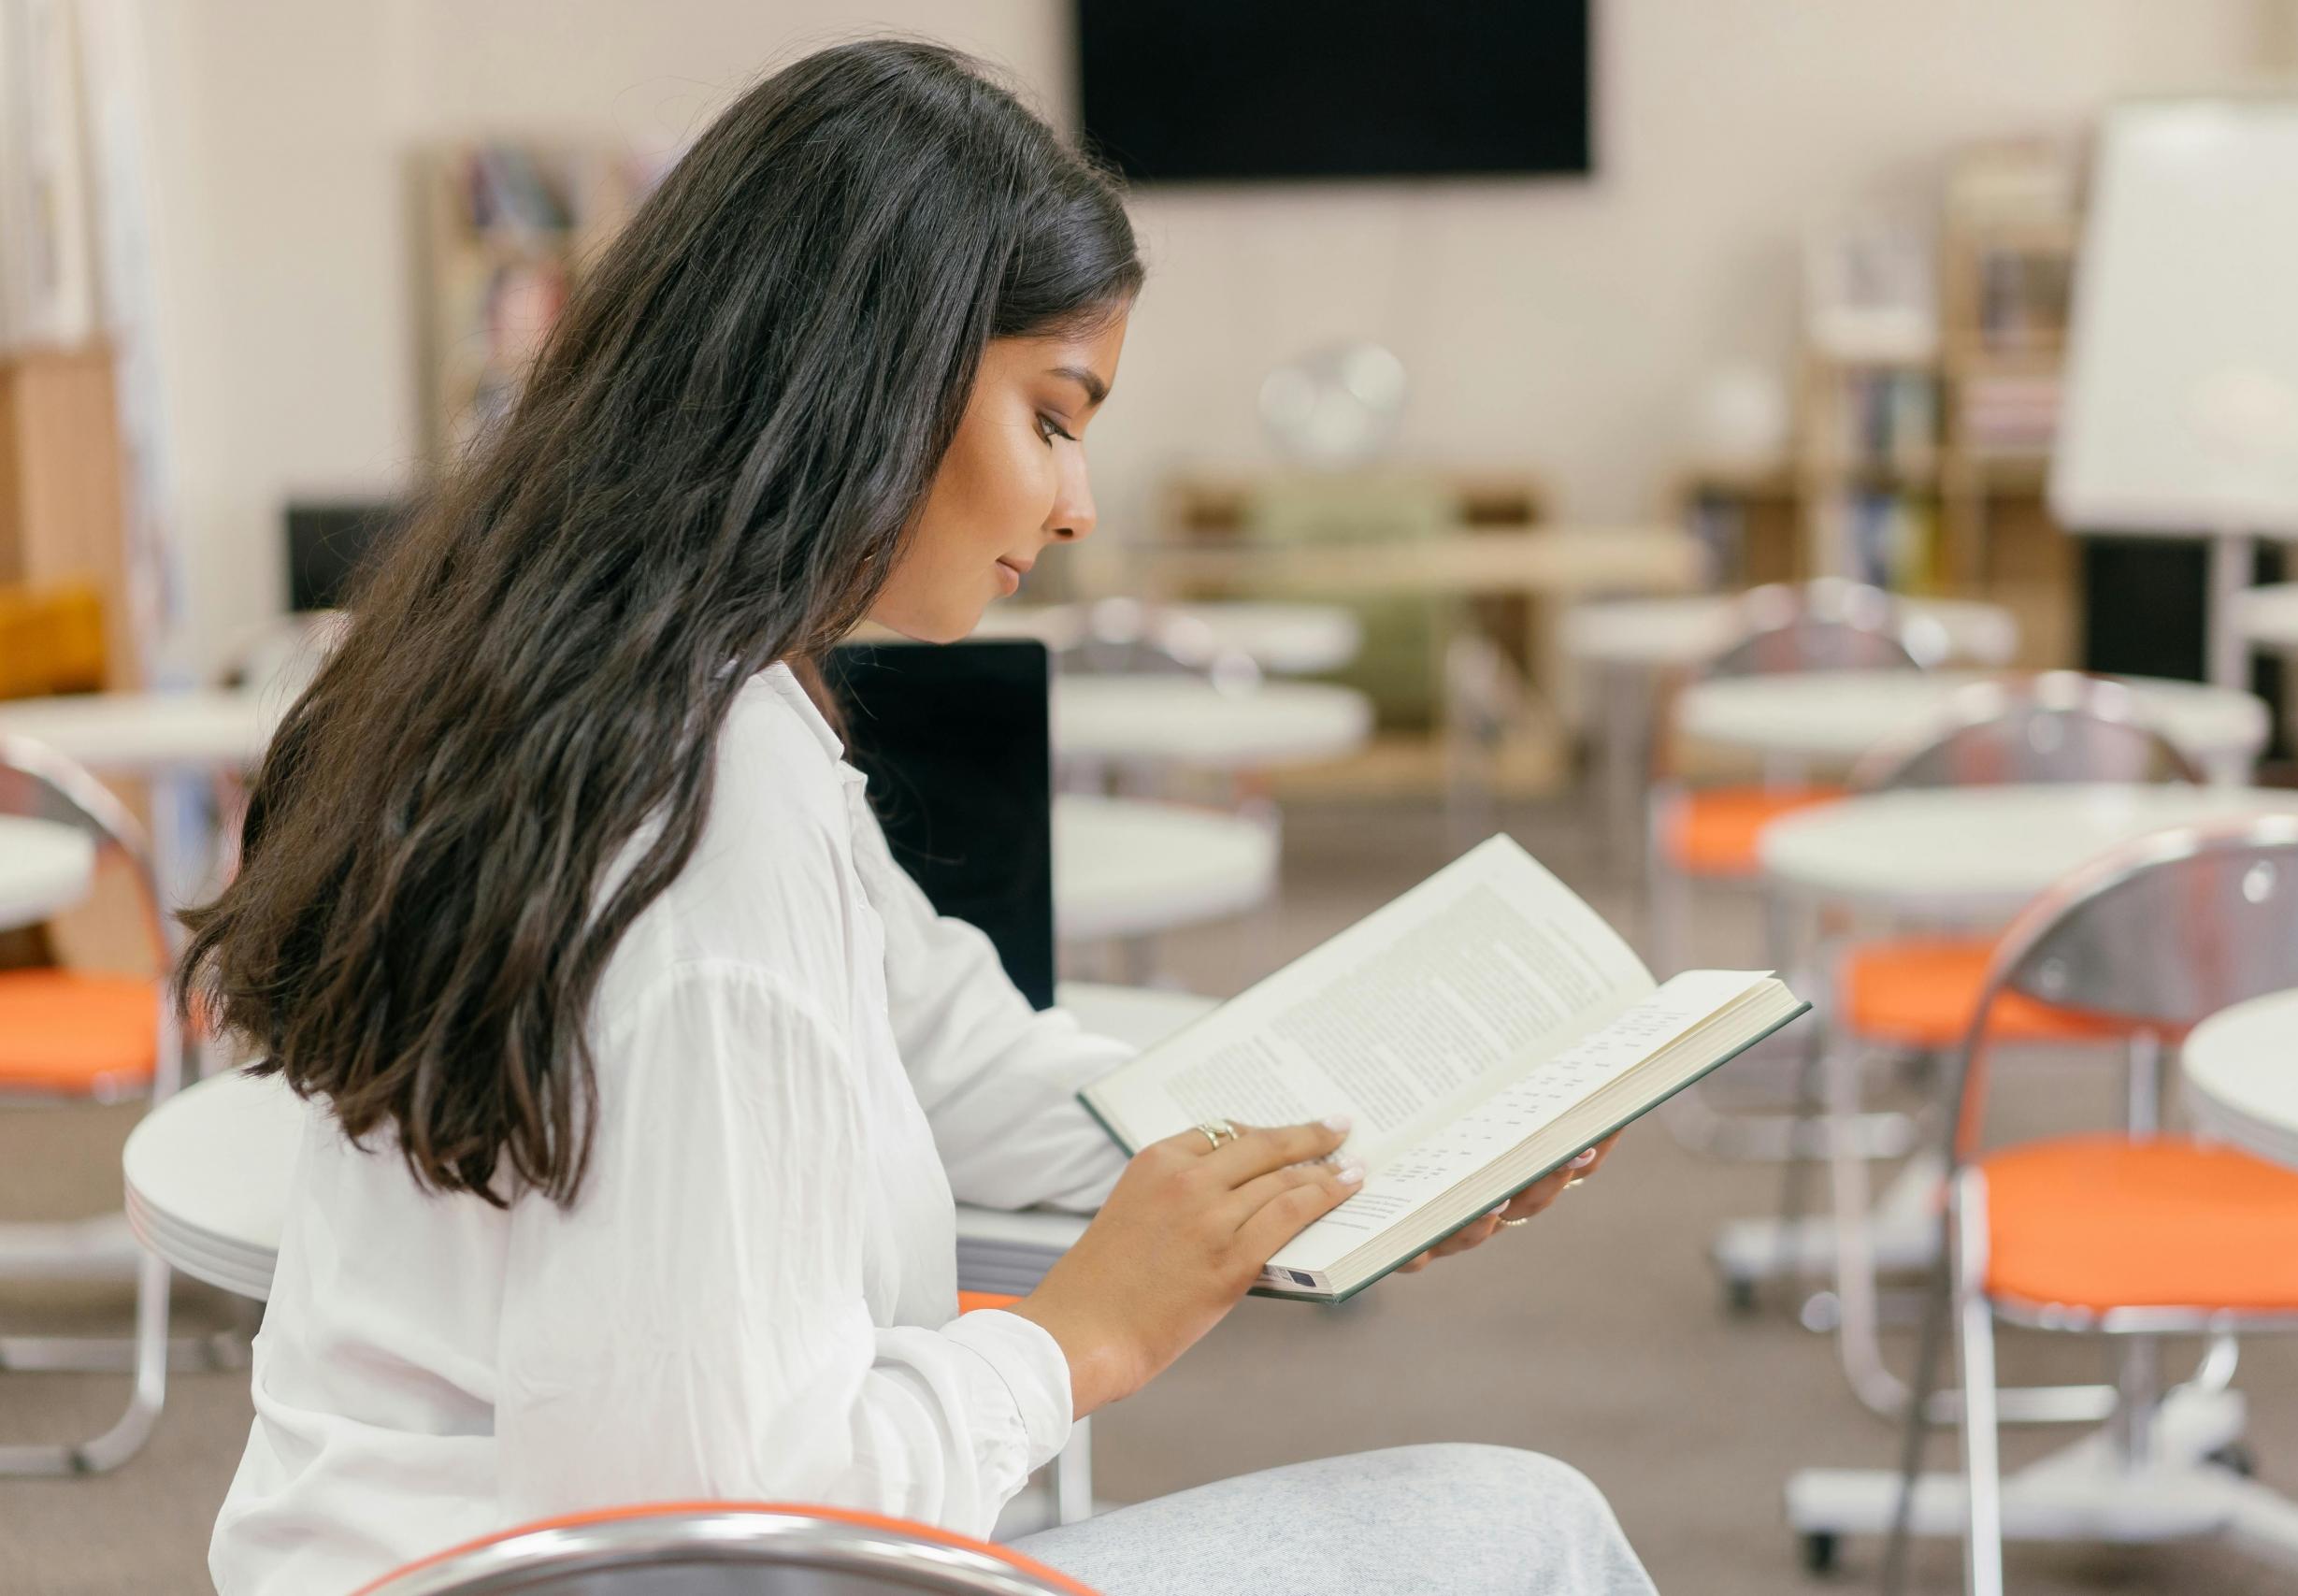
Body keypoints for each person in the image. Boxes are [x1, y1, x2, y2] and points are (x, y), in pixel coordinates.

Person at [179, 40, 1655, 1596]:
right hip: (656, 1573)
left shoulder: (650, 697)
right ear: (878, 376)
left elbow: (966, 1059)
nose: (1076, 503)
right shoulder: (704, 825)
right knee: (1532, 1530)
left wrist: (1370, 1153)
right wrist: (1071, 1341)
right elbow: (715, 1526)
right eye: (1054, 416)